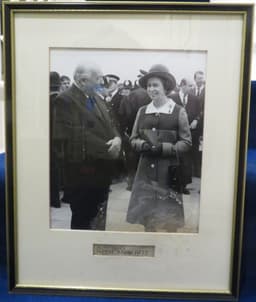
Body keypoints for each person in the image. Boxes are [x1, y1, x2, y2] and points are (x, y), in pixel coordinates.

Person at [52, 63, 121, 230]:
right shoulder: (65, 100)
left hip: (101, 172)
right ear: (83, 81)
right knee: (83, 220)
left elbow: (111, 124)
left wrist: (117, 139)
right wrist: (108, 149)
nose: (102, 83)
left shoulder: (96, 97)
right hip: (82, 176)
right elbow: (75, 135)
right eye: (98, 79)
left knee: (98, 219)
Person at [126, 64, 192, 232]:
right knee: (149, 221)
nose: (151, 89)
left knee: (169, 221)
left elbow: (186, 142)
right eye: (148, 85)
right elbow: (133, 139)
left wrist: (166, 148)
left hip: (168, 171)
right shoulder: (142, 111)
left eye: (155, 85)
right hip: (146, 171)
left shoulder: (178, 111)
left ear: (165, 87)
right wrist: (143, 145)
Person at [172, 78, 201, 193]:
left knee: (187, 159)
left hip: (190, 134)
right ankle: (175, 183)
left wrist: (196, 121)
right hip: (176, 133)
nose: (192, 88)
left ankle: (184, 185)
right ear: (182, 85)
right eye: (190, 86)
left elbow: (200, 112)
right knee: (177, 158)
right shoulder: (172, 98)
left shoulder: (195, 99)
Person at [50, 71, 61, 208]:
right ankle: (56, 200)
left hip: (49, 141)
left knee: (52, 170)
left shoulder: (45, 101)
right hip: (60, 141)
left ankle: (54, 200)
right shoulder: (63, 100)